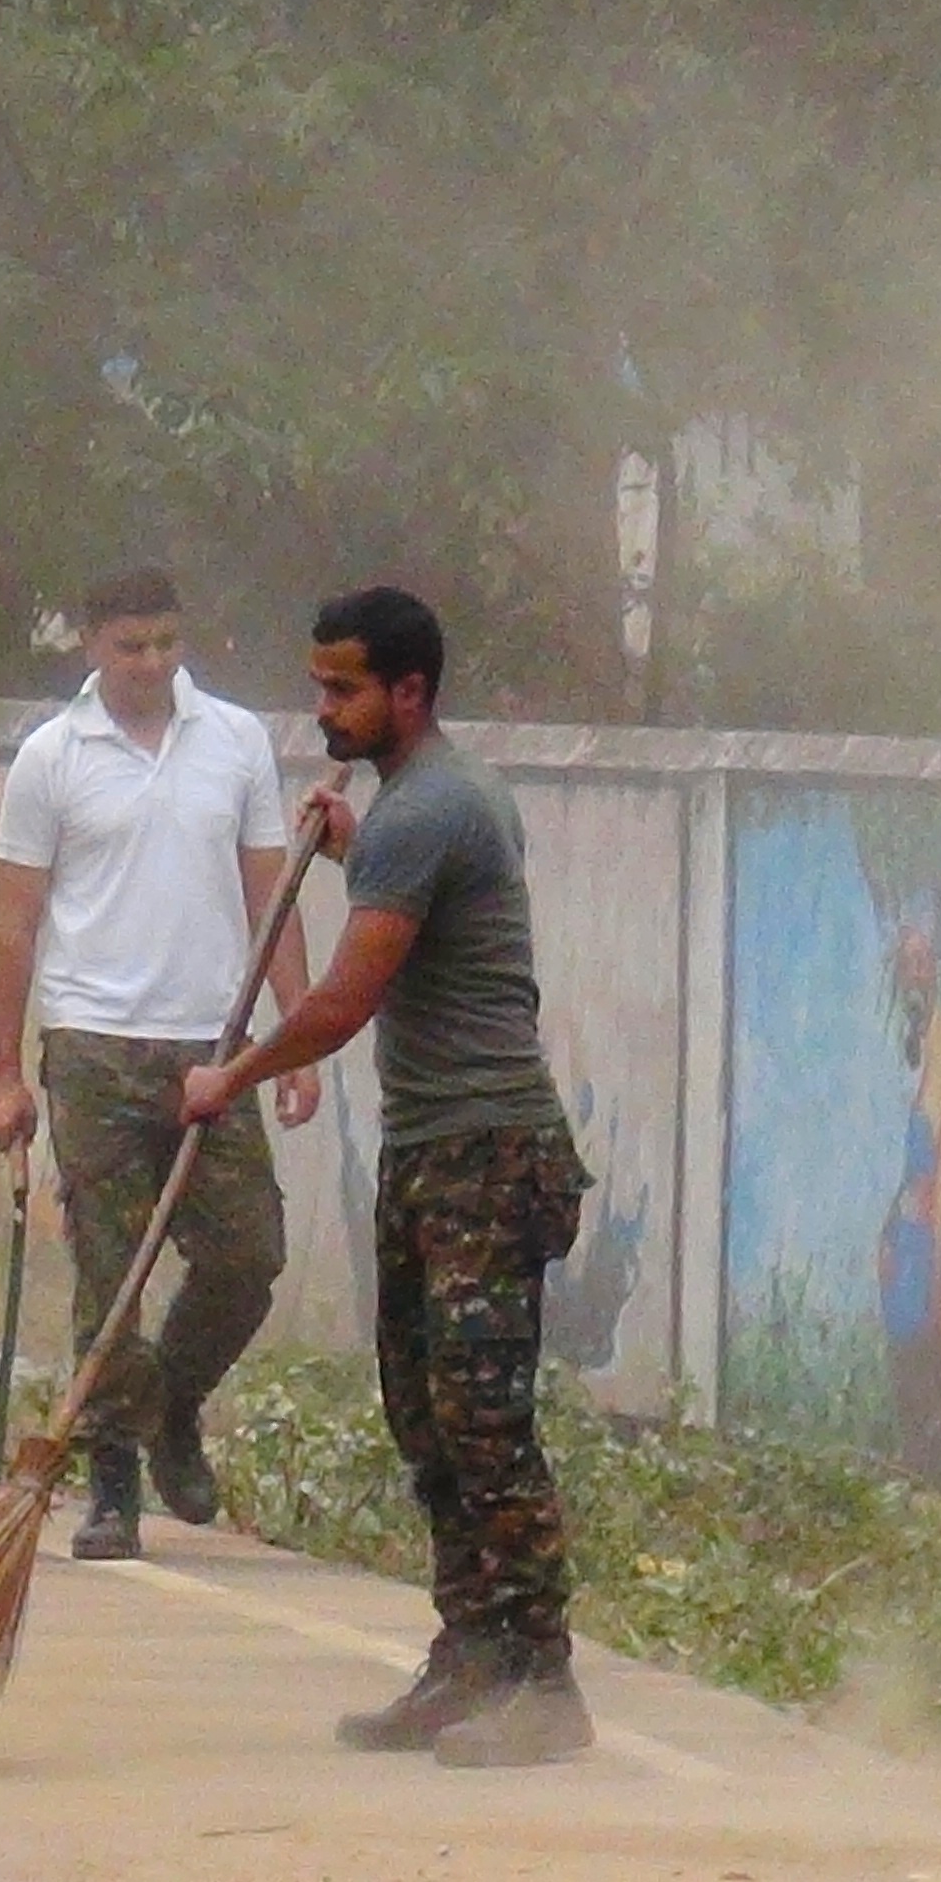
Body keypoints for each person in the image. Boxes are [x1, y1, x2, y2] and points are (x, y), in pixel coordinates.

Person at [181, 584, 593, 1767]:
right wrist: (359, 849)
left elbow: (344, 1001)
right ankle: (468, 1659)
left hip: (484, 1154)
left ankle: (543, 1682)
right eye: (317, 684)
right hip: (431, 1153)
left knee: (482, 1423)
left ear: (409, 691)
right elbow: (416, 912)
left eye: (343, 688)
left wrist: (233, 1077)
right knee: (421, 1417)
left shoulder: (436, 806)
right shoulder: (415, 812)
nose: (323, 709)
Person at [0, 568, 318, 1562]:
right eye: (131, 646)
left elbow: (272, 895)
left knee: (248, 1254)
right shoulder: (49, 759)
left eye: (167, 642)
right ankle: (113, 1484)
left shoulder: (236, 741)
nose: (153, 663)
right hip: (91, 1047)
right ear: (89, 643)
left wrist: (295, 1041)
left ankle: (172, 1402)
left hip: (214, 1046)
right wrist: (4, 1072)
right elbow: (13, 924)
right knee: (109, 1277)